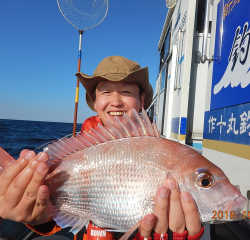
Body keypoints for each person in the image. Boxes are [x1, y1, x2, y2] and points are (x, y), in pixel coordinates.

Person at [0, 56, 204, 240]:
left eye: (126, 92)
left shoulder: (169, 152)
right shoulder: (74, 151)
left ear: (141, 100)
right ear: (95, 102)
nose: (116, 102)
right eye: (106, 92)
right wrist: (39, 217)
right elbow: (56, 222)